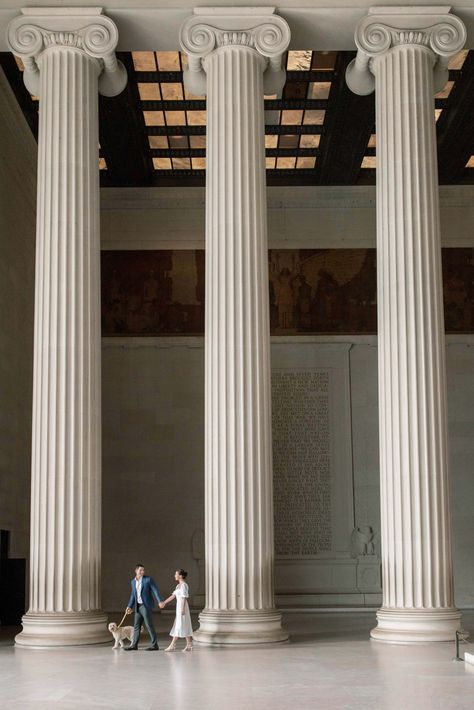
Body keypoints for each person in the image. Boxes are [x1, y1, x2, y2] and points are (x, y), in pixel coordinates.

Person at [124, 563, 161, 651]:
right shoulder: (133, 582)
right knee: (136, 626)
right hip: (137, 606)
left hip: (145, 605)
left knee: (149, 625)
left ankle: (155, 645)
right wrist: (129, 606)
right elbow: (133, 595)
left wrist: (160, 601)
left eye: (143, 570)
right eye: (140, 570)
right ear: (136, 571)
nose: (142, 572)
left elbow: (155, 591)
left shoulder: (148, 580)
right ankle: (134, 645)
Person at [159, 569, 193, 652]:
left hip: (182, 607)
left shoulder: (184, 585)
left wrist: (182, 609)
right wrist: (164, 602)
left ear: (180, 576)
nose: (174, 576)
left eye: (176, 574)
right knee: (184, 625)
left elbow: (184, 598)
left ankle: (172, 645)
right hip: (179, 607)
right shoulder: (178, 586)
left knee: (179, 625)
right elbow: (173, 596)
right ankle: (189, 644)